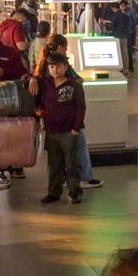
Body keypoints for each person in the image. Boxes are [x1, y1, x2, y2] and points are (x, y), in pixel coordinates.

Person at [30, 36, 103, 189]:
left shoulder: (44, 66)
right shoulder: (61, 66)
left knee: (56, 154)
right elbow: (77, 84)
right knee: (76, 147)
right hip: (67, 116)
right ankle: (81, 178)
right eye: (65, 46)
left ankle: (60, 180)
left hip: (52, 119)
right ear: (60, 47)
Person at [36, 53, 86, 205]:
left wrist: (76, 128)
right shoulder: (45, 84)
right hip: (51, 130)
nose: (55, 70)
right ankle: (54, 192)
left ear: (65, 67)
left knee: (72, 163)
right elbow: (35, 95)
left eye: (58, 66)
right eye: (51, 66)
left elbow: (81, 107)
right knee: (54, 164)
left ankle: (75, 192)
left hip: (68, 131)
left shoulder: (74, 85)